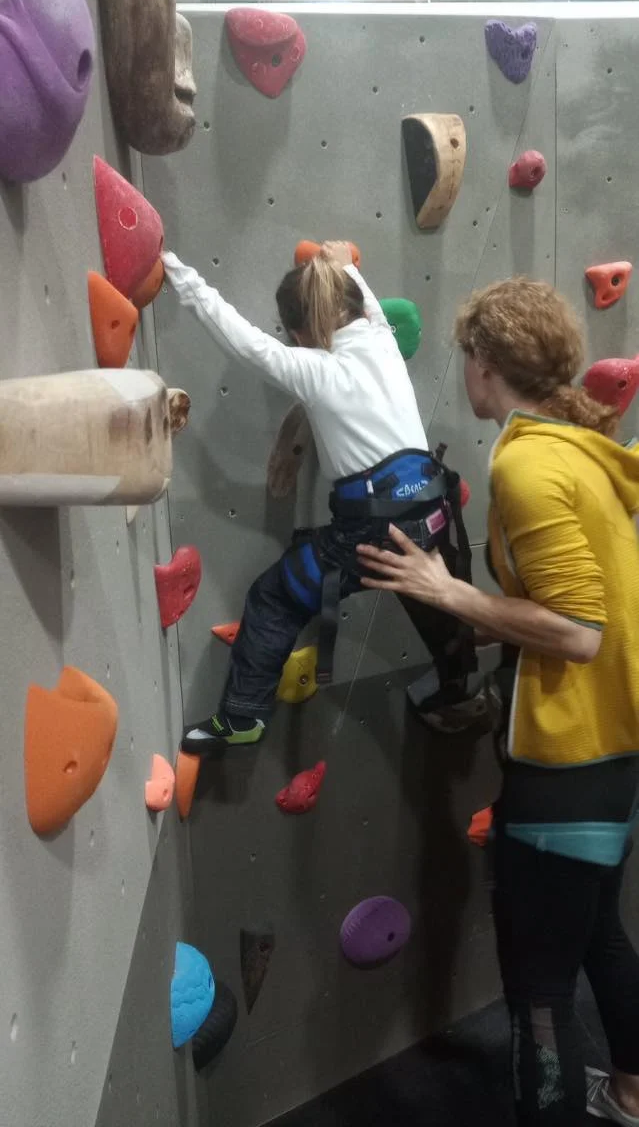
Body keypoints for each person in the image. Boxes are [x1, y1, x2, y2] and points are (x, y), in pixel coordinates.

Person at [357, 275, 639, 1127]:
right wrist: (483, 616)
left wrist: (449, 594)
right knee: (598, 932)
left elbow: (578, 630)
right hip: (613, 749)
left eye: (464, 357)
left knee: (537, 992)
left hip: (565, 761)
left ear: (484, 362)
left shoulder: (525, 463)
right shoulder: (579, 451)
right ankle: (630, 1094)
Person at [161, 241, 487, 751]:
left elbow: (242, 340)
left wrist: (176, 270)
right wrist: (342, 267)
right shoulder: (381, 337)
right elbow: (365, 299)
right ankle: (457, 690)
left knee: (274, 597)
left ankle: (242, 717)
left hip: (373, 534)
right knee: (439, 605)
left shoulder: (315, 370)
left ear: (300, 332)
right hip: (434, 512)